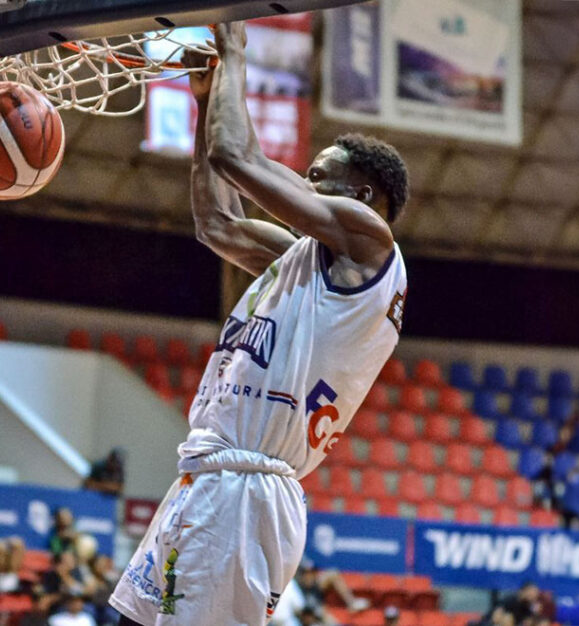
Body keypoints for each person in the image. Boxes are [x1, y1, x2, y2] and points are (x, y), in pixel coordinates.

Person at [110, 21, 409, 626]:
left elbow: (236, 155)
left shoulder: (370, 245)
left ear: (365, 196)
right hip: (211, 478)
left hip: (244, 493)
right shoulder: (304, 260)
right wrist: (204, 100)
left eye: (320, 177)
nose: (303, 184)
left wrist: (234, 54)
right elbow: (216, 224)